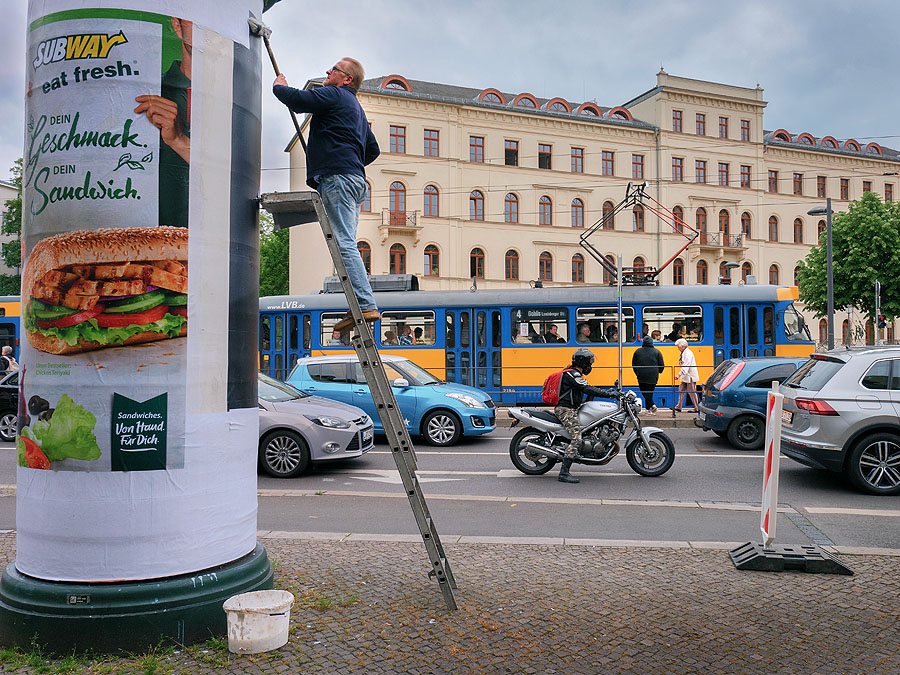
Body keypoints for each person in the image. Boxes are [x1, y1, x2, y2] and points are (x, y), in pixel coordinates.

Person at [273, 58, 381, 333]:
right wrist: (349, 157)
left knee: (343, 243)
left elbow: (296, 100)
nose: (327, 72)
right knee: (346, 241)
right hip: (355, 180)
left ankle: (366, 303)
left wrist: (279, 86)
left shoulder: (335, 95)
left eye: (334, 69)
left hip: (338, 178)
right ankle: (358, 304)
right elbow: (373, 150)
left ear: (347, 79)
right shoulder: (355, 108)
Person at [134, 17, 192, 228]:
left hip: (215, 245)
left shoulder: (238, 101)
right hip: (147, 244)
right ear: (177, 26)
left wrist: (179, 140)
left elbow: (236, 182)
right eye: (196, 19)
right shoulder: (146, 90)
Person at [553, 348, 612, 484]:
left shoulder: (576, 375)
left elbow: (587, 388)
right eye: (589, 363)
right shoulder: (572, 374)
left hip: (572, 408)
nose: (590, 366)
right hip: (565, 410)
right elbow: (586, 388)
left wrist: (607, 391)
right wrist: (609, 394)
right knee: (577, 438)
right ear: (583, 363)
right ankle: (564, 473)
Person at [631, 336, 664, 414]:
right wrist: (659, 372)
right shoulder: (657, 352)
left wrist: (637, 372)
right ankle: (650, 407)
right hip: (653, 375)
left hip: (641, 375)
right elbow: (661, 365)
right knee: (649, 392)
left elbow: (634, 364)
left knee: (644, 391)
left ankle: (649, 408)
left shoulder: (637, 351)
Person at [674, 338, 700, 413]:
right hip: (686, 376)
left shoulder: (688, 353)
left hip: (690, 376)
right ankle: (679, 406)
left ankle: (697, 408)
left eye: (678, 347)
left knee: (692, 392)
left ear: (683, 346)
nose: (678, 348)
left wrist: (678, 374)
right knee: (681, 389)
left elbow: (686, 365)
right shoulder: (684, 352)